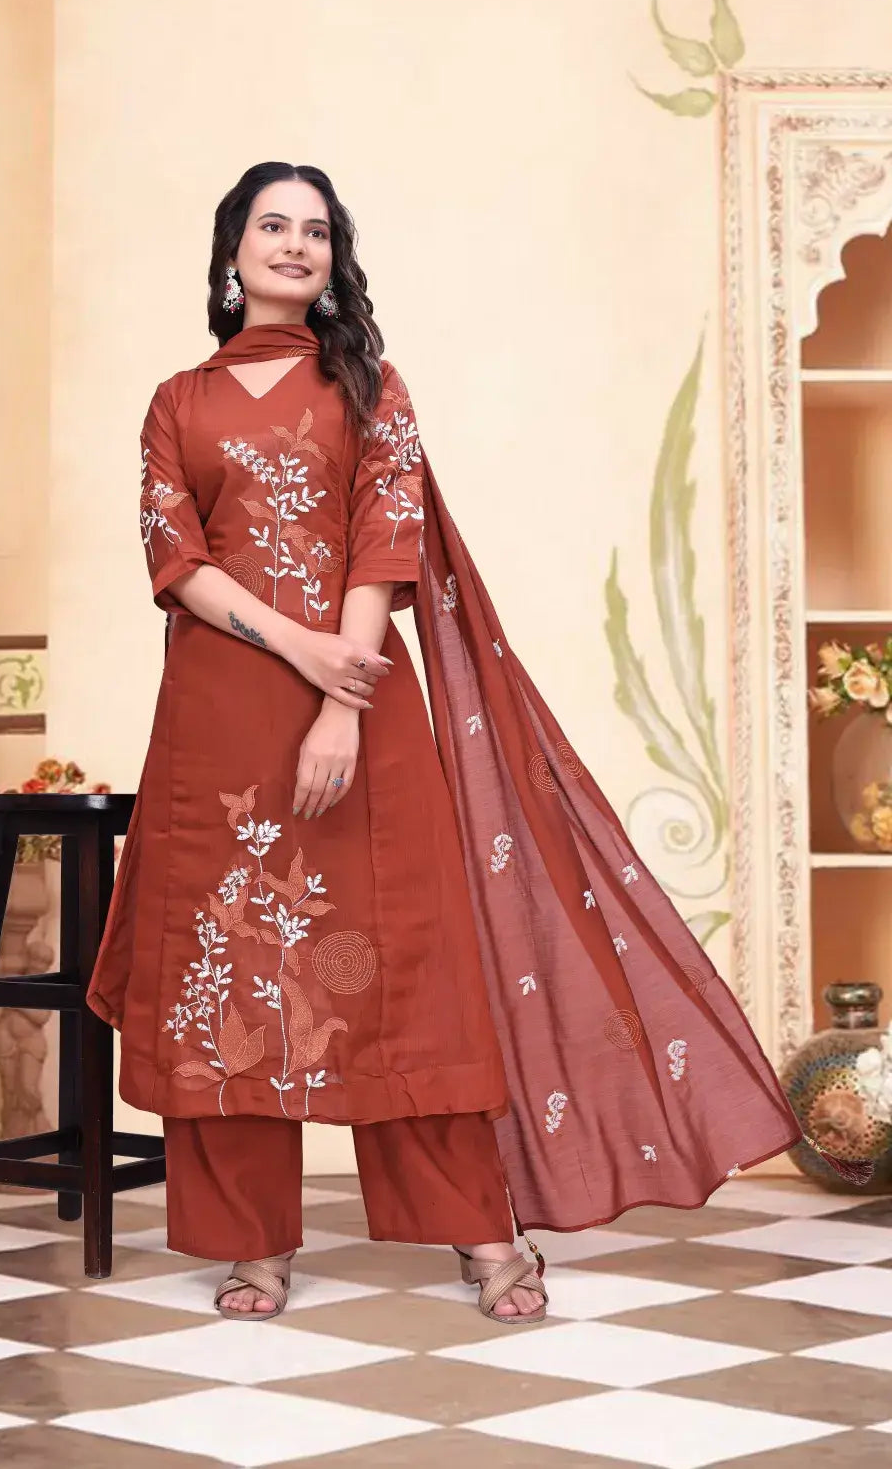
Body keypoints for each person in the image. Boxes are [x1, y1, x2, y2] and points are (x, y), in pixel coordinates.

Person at [86, 161, 865, 1327]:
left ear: (334, 259)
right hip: (217, 724)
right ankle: (254, 1250)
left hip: (354, 712)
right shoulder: (175, 402)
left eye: (316, 231)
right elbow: (177, 561)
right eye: (271, 226)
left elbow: (381, 548)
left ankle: (480, 1236)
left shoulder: (368, 388)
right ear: (230, 251)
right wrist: (298, 652)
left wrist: (339, 698)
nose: (294, 246)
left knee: (403, 984)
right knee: (230, 978)